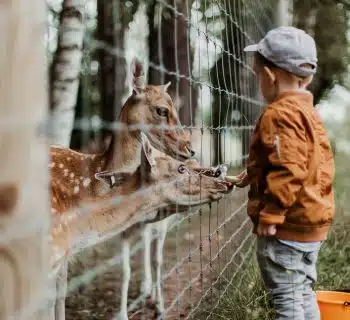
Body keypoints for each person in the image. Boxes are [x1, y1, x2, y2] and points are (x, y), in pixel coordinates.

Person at [226, 26, 335, 320]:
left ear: (270, 76)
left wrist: (272, 214)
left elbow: (288, 168)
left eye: (257, 74)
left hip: (286, 227)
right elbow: (302, 160)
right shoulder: (309, 113)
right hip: (311, 225)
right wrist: (252, 174)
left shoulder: (278, 113)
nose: (259, 81)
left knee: (287, 299)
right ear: (309, 77)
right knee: (302, 293)